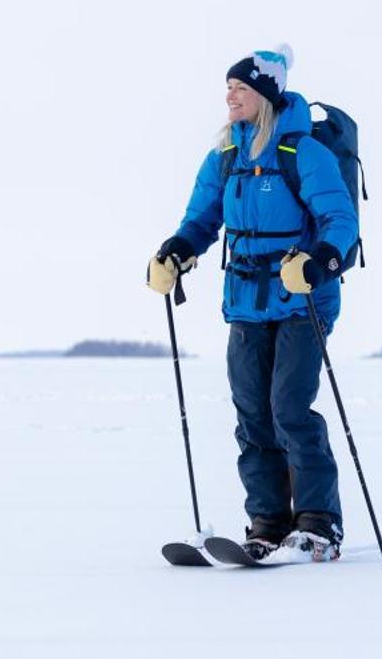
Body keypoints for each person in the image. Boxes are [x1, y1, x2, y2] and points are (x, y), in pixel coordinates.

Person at [146, 45, 359, 558]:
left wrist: (318, 260)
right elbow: (201, 219)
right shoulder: (225, 156)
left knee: (288, 408)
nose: (230, 96)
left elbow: (340, 221)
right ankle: (266, 521)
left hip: (302, 301)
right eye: (228, 88)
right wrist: (176, 250)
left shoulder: (305, 153)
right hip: (244, 300)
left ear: (264, 94)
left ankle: (318, 524)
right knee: (252, 415)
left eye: (240, 88)